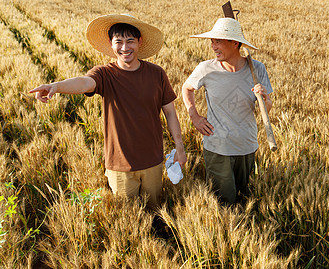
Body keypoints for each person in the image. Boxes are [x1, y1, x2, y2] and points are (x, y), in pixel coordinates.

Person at [29, 14, 187, 209]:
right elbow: (84, 83)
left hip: (153, 161)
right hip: (119, 165)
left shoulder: (157, 73)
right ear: (111, 45)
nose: (124, 47)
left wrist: (179, 146)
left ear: (140, 42)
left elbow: (170, 113)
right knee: (127, 220)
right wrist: (56, 86)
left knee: (154, 212)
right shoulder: (104, 74)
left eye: (130, 41)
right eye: (118, 41)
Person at [182, 17, 273, 204]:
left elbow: (266, 109)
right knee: (223, 202)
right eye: (212, 42)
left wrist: (265, 98)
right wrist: (195, 116)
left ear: (235, 43)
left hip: (247, 145)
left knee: (244, 198)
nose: (213, 47)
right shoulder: (206, 69)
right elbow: (187, 88)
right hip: (218, 147)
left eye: (218, 42)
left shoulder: (257, 69)